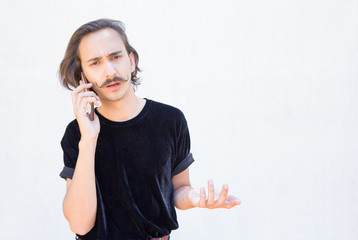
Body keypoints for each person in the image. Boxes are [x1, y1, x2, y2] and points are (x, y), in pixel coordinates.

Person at [58, 18, 241, 240]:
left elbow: (178, 189)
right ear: (83, 76)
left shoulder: (170, 120)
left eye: (116, 57)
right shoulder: (77, 133)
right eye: (95, 63)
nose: (109, 71)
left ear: (131, 60)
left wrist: (195, 198)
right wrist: (88, 139)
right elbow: (79, 223)